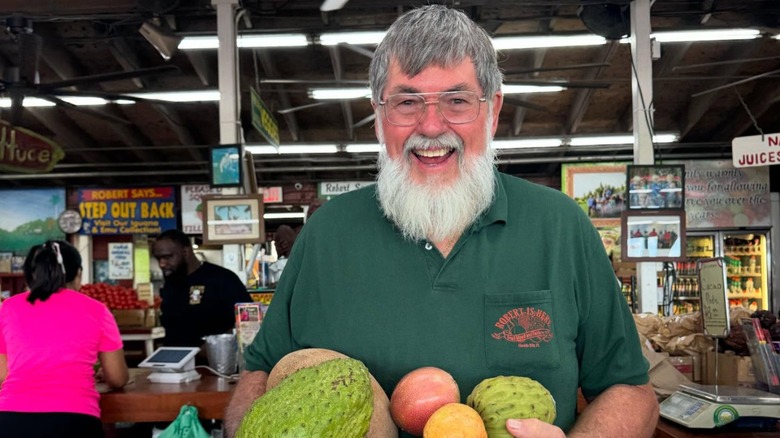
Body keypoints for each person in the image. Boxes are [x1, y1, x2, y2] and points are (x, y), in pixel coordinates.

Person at [225, 5, 658, 438]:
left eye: (457, 100)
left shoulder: (561, 227)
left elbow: (630, 390)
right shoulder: (326, 233)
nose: (431, 126)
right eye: (407, 102)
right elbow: (259, 374)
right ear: (379, 117)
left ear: (492, 111)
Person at [0, 240, 129, 438]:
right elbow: (118, 378)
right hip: (75, 420)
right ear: (78, 274)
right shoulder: (97, 310)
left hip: (12, 419)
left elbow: (2, 373)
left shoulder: (8, 308)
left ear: (31, 274)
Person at [152, 229, 253, 347]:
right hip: (175, 360)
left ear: (185, 252)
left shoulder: (222, 278)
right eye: (158, 258)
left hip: (213, 362)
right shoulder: (171, 283)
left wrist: (220, 343)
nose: (162, 264)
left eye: (167, 257)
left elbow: (250, 318)